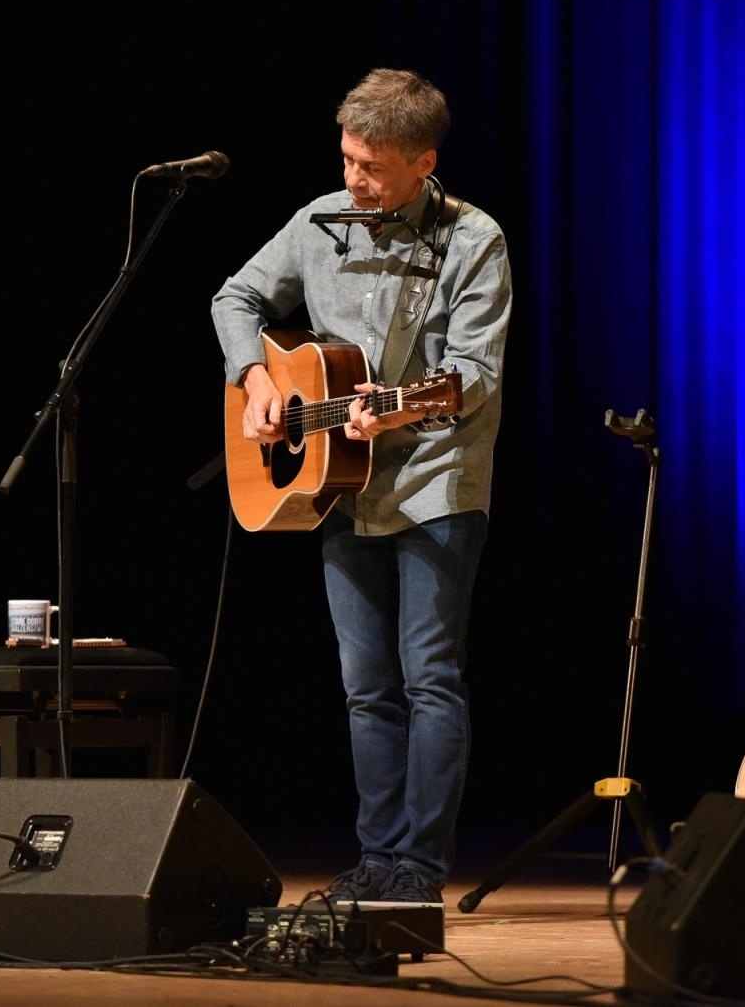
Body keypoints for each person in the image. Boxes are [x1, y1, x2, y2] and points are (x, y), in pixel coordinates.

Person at [210, 68, 512, 904]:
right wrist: (258, 381)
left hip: (435, 478)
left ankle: (417, 868)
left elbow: (474, 375)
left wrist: (400, 413)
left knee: (429, 675)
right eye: (347, 159)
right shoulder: (316, 223)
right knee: (365, 686)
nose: (354, 179)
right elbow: (234, 298)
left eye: (372, 167)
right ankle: (376, 860)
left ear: (423, 161)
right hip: (340, 485)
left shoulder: (472, 237)